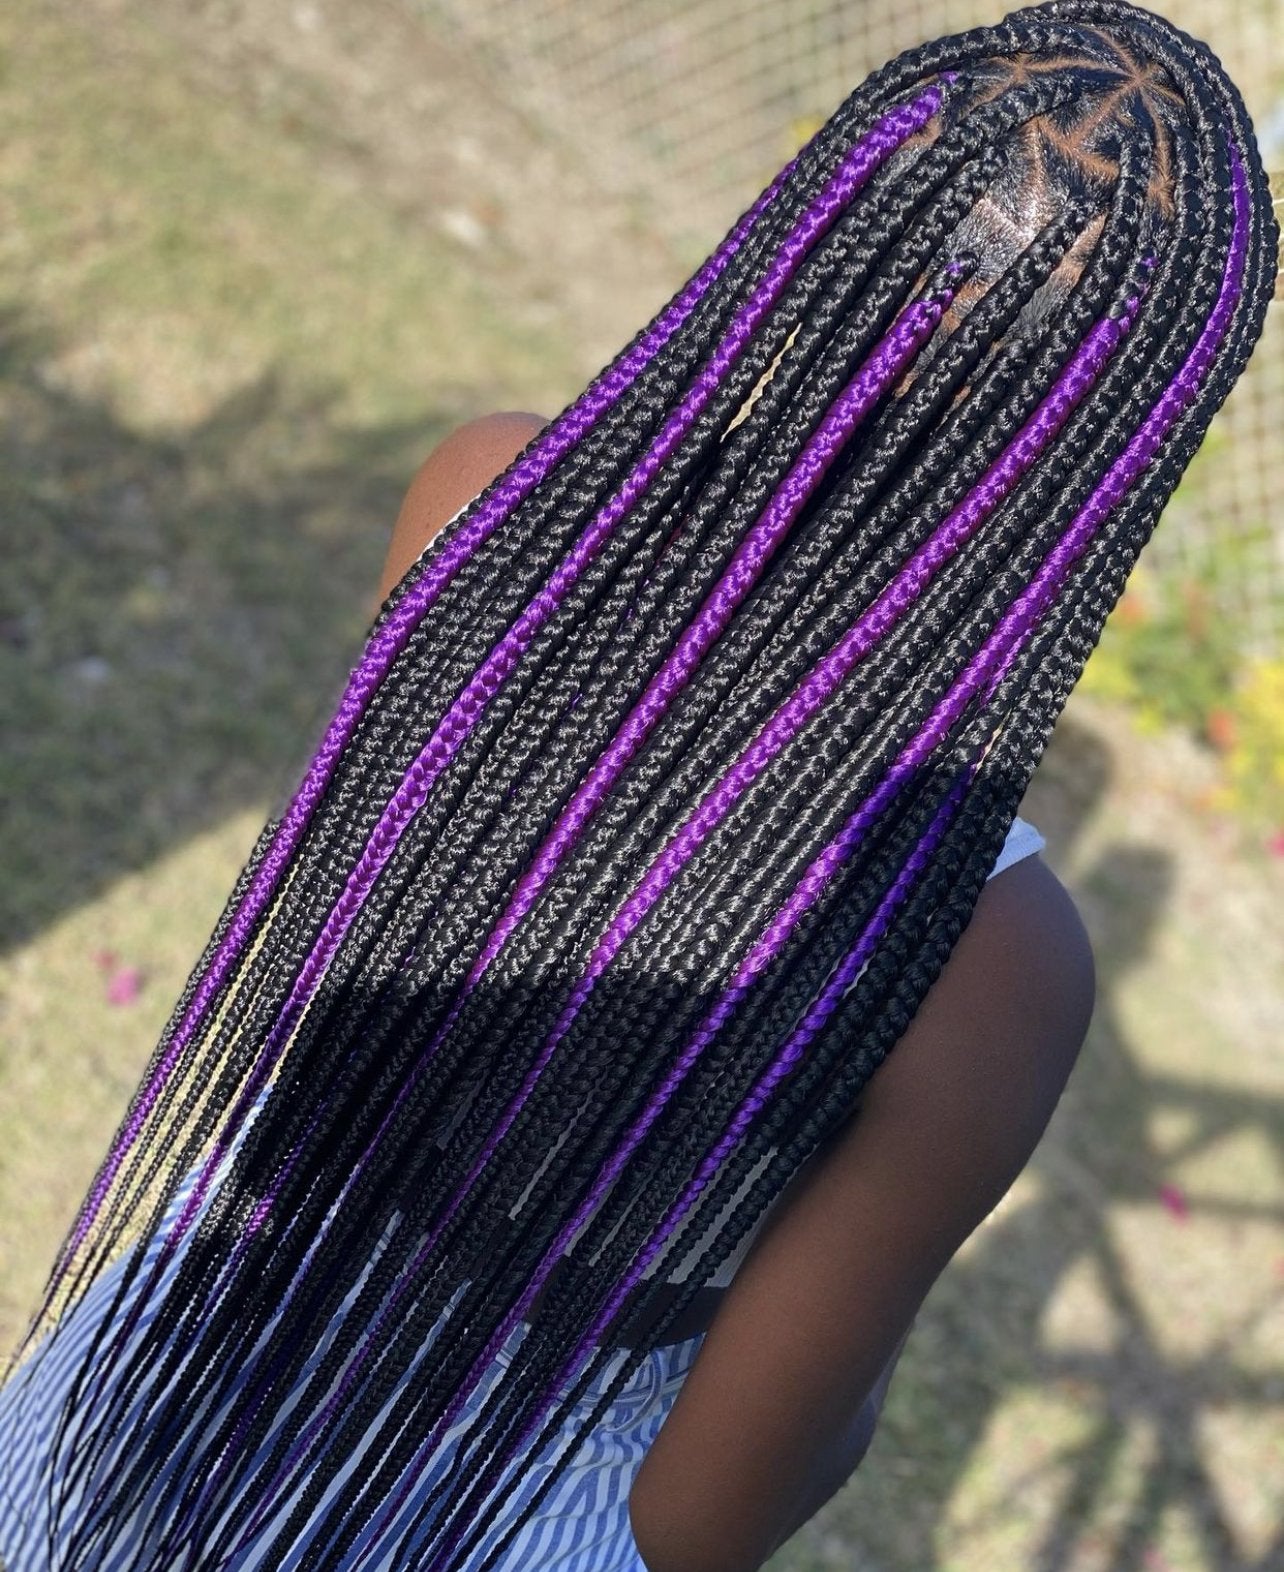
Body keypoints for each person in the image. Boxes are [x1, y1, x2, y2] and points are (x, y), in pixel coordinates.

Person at [0, 4, 1275, 1569]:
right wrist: (847, 1393)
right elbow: (703, 1512)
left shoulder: (484, 499)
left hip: (182, 1353)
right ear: (1123, 446)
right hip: (524, 1507)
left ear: (816, 239)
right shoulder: (1005, 957)